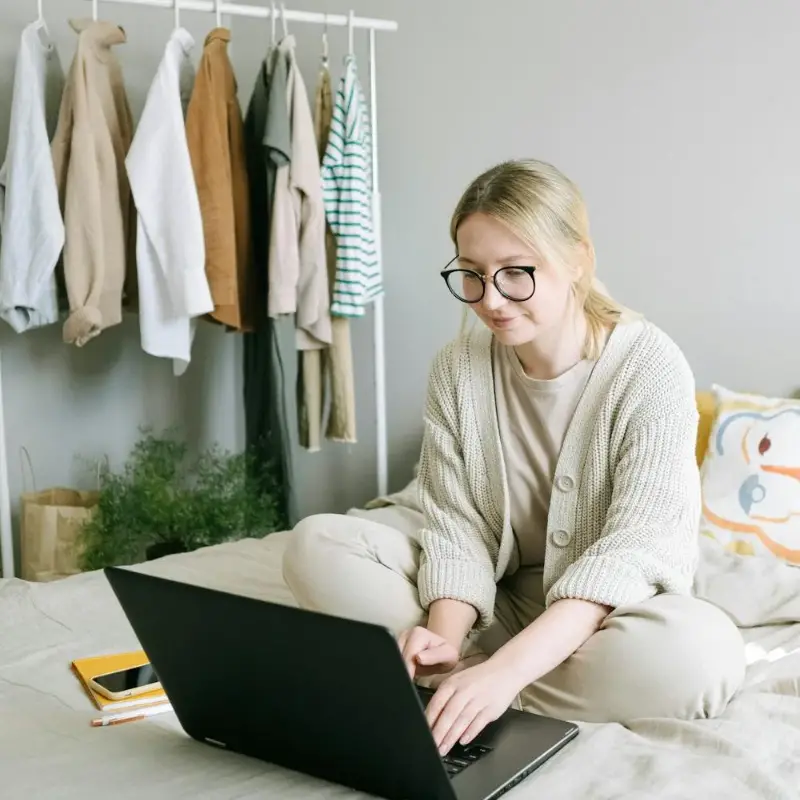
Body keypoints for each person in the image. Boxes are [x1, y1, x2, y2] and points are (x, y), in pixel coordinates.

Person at [282, 158, 746, 756]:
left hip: (598, 618)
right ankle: (457, 677)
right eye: (471, 274)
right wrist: (443, 637)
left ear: (578, 259)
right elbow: (455, 527)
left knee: (700, 656)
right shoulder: (457, 367)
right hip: (497, 603)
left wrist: (506, 673)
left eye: (516, 273)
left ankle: (475, 688)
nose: (491, 299)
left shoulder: (649, 366)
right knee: (316, 546)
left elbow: (637, 547)